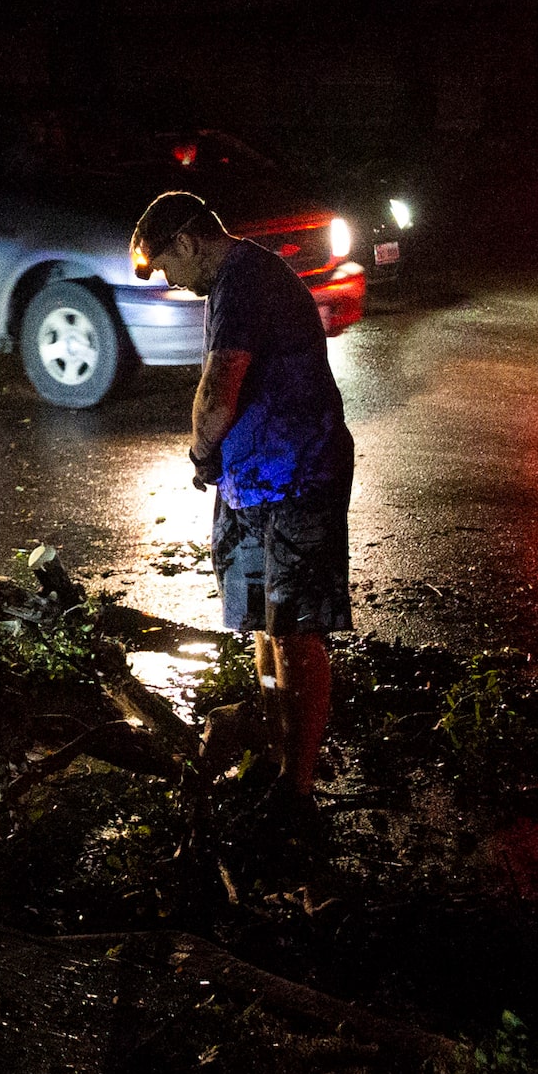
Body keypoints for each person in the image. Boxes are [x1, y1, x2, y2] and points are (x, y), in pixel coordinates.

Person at [131, 190, 353, 800]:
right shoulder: (235, 280)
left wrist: (202, 452)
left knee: (295, 628)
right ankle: (280, 756)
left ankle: (297, 784)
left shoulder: (244, 280)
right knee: (261, 621)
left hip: (297, 475)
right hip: (255, 480)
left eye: (167, 265)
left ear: (186, 240)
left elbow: (218, 389)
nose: (173, 283)